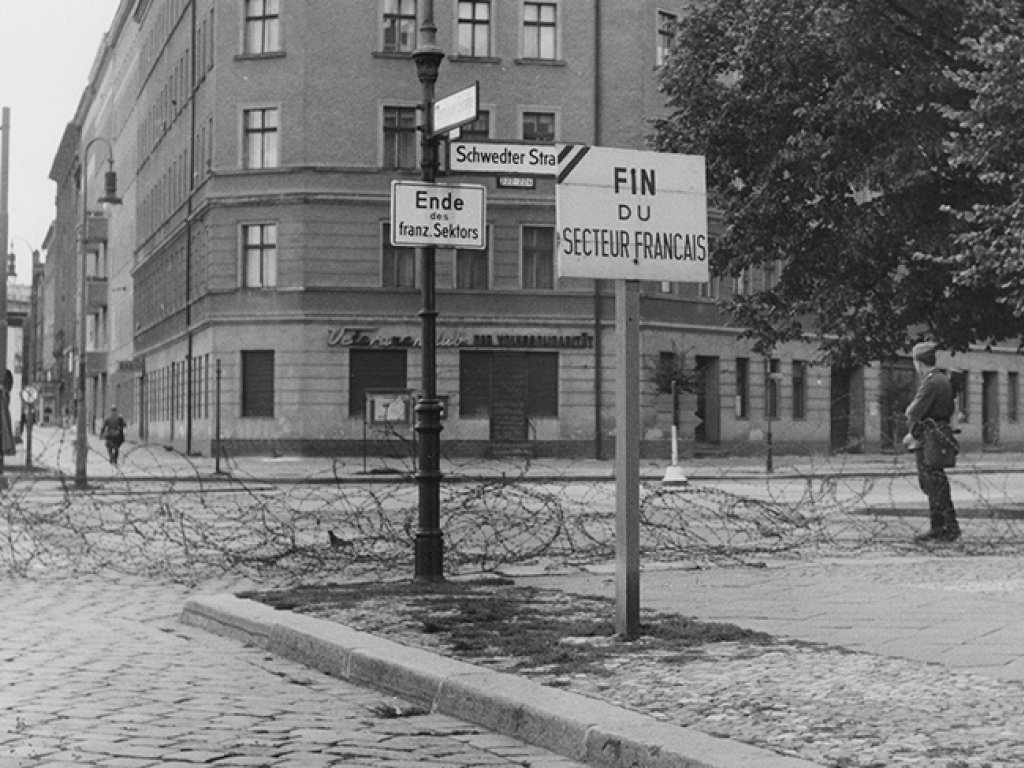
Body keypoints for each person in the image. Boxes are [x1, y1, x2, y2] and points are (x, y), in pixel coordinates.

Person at [904, 342, 960, 542]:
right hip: (937, 434)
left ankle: (944, 527)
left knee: (932, 483)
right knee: (937, 481)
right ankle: (944, 526)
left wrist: (913, 433)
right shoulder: (942, 379)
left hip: (929, 438)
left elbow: (915, 412)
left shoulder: (930, 383)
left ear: (919, 363)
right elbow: (947, 410)